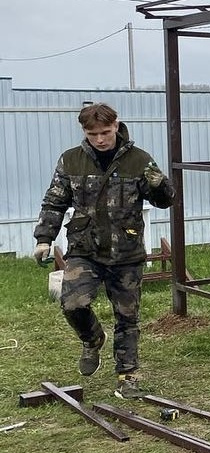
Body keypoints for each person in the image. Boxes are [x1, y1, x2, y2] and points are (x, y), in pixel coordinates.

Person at [33, 103, 174, 398]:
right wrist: (44, 238)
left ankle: (127, 376)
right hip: (85, 248)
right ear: (84, 132)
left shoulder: (139, 160)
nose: (100, 139)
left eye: (105, 132)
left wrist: (160, 185)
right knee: (73, 304)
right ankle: (93, 339)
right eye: (92, 134)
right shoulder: (71, 160)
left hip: (126, 251)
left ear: (116, 126)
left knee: (127, 317)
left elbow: (164, 201)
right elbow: (55, 201)